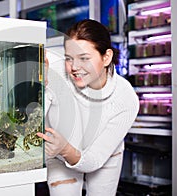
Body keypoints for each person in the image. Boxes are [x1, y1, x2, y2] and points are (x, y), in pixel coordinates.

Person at [37, 19, 139, 196]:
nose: (75, 67)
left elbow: (95, 159)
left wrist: (66, 149)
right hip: (60, 155)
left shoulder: (125, 98)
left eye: (84, 58)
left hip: (105, 157)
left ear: (106, 57)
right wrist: (39, 87)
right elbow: (33, 118)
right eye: (69, 58)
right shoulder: (54, 73)